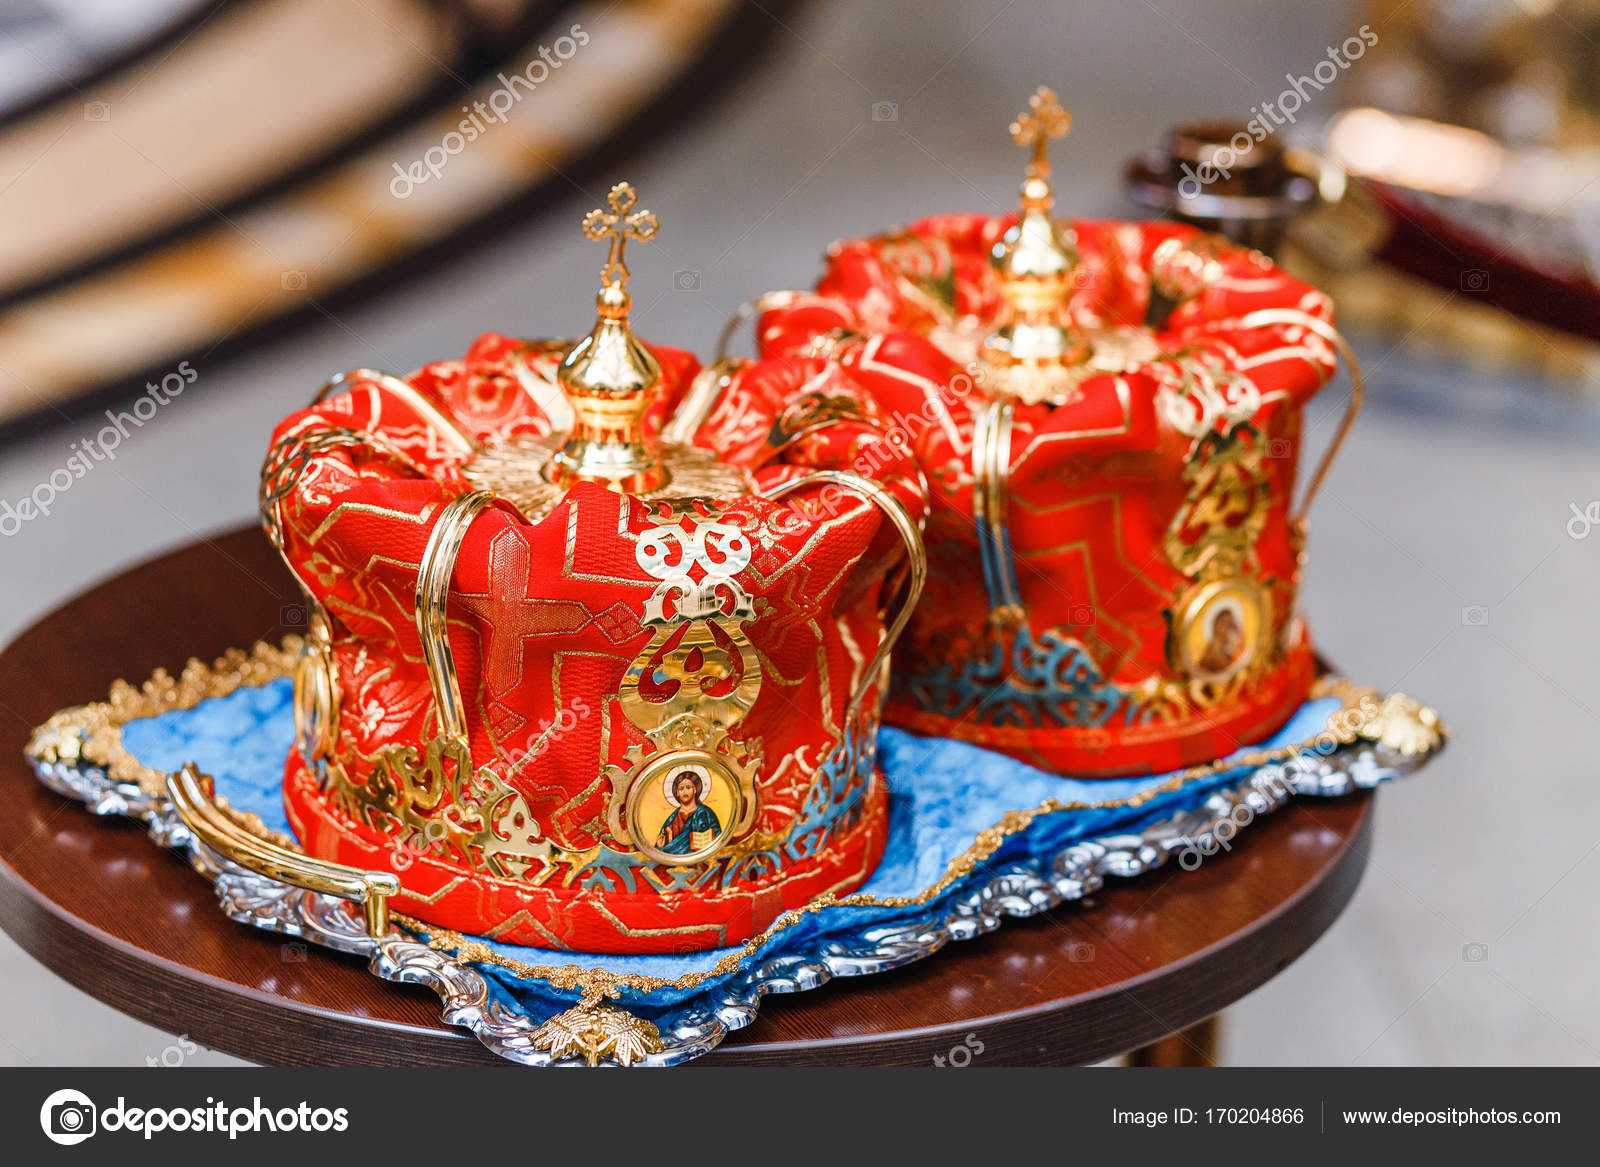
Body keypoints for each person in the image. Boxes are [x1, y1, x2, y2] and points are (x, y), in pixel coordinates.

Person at [656, 770, 721, 855]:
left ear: (694, 790)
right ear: (677, 793)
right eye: (681, 788)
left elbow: (718, 838)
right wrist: (660, 845)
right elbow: (661, 848)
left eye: (688, 787)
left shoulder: (706, 813)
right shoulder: (672, 819)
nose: (685, 791)